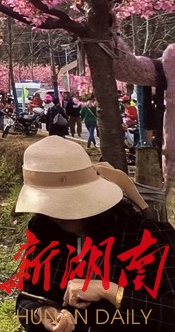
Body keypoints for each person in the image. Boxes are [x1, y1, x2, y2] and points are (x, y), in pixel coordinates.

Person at [11, 136, 175, 331]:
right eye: (53, 207)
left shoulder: (146, 238)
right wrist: (42, 313)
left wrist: (112, 292)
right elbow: (26, 299)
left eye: (68, 204)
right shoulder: (42, 230)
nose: (59, 215)